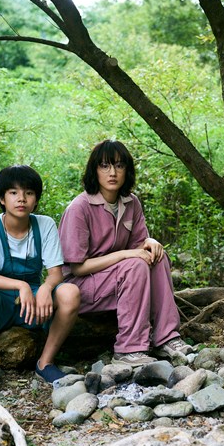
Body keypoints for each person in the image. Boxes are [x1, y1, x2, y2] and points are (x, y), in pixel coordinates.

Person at [58, 140, 192, 367]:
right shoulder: (79, 208)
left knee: (157, 258)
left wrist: (151, 241)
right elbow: (77, 268)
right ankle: (128, 348)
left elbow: (140, 247)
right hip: (81, 286)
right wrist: (125, 255)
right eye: (105, 166)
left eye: (119, 166)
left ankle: (166, 337)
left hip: (119, 277)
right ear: (94, 170)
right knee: (135, 264)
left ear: (127, 170)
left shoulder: (131, 202)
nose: (112, 173)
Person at [0, 165, 80, 391]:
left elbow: (56, 273)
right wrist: (20, 285)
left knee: (70, 292)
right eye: (13, 192)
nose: (21, 199)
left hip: (34, 301)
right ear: (2, 198)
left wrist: (45, 288)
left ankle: (45, 363)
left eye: (28, 193)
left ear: (36, 199)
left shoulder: (44, 224)